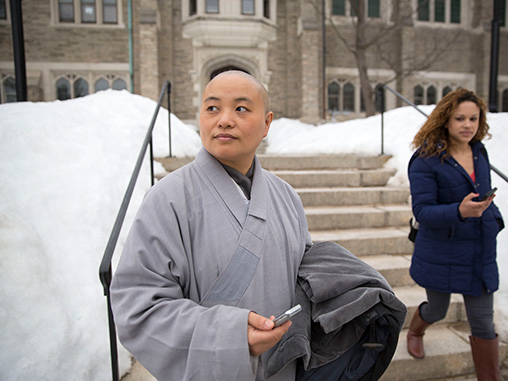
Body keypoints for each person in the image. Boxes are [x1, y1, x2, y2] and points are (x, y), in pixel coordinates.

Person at [110, 70, 406, 380]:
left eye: (241, 108)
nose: (224, 119)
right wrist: (231, 337)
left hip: (283, 368)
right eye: (212, 108)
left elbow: (301, 277)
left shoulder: (285, 195)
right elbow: (138, 308)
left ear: (266, 123)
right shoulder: (167, 199)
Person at [406, 88, 504, 380]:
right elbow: (422, 212)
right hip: (441, 252)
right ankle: (416, 329)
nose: (468, 125)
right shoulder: (425, 159)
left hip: (479, 252)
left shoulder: (479, 150)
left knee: (484, 324)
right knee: (437, 309)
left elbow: (481, 194)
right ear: (445, 119)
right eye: (460, 118)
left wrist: (493, 218)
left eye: (474, 119)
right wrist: (459, 212)